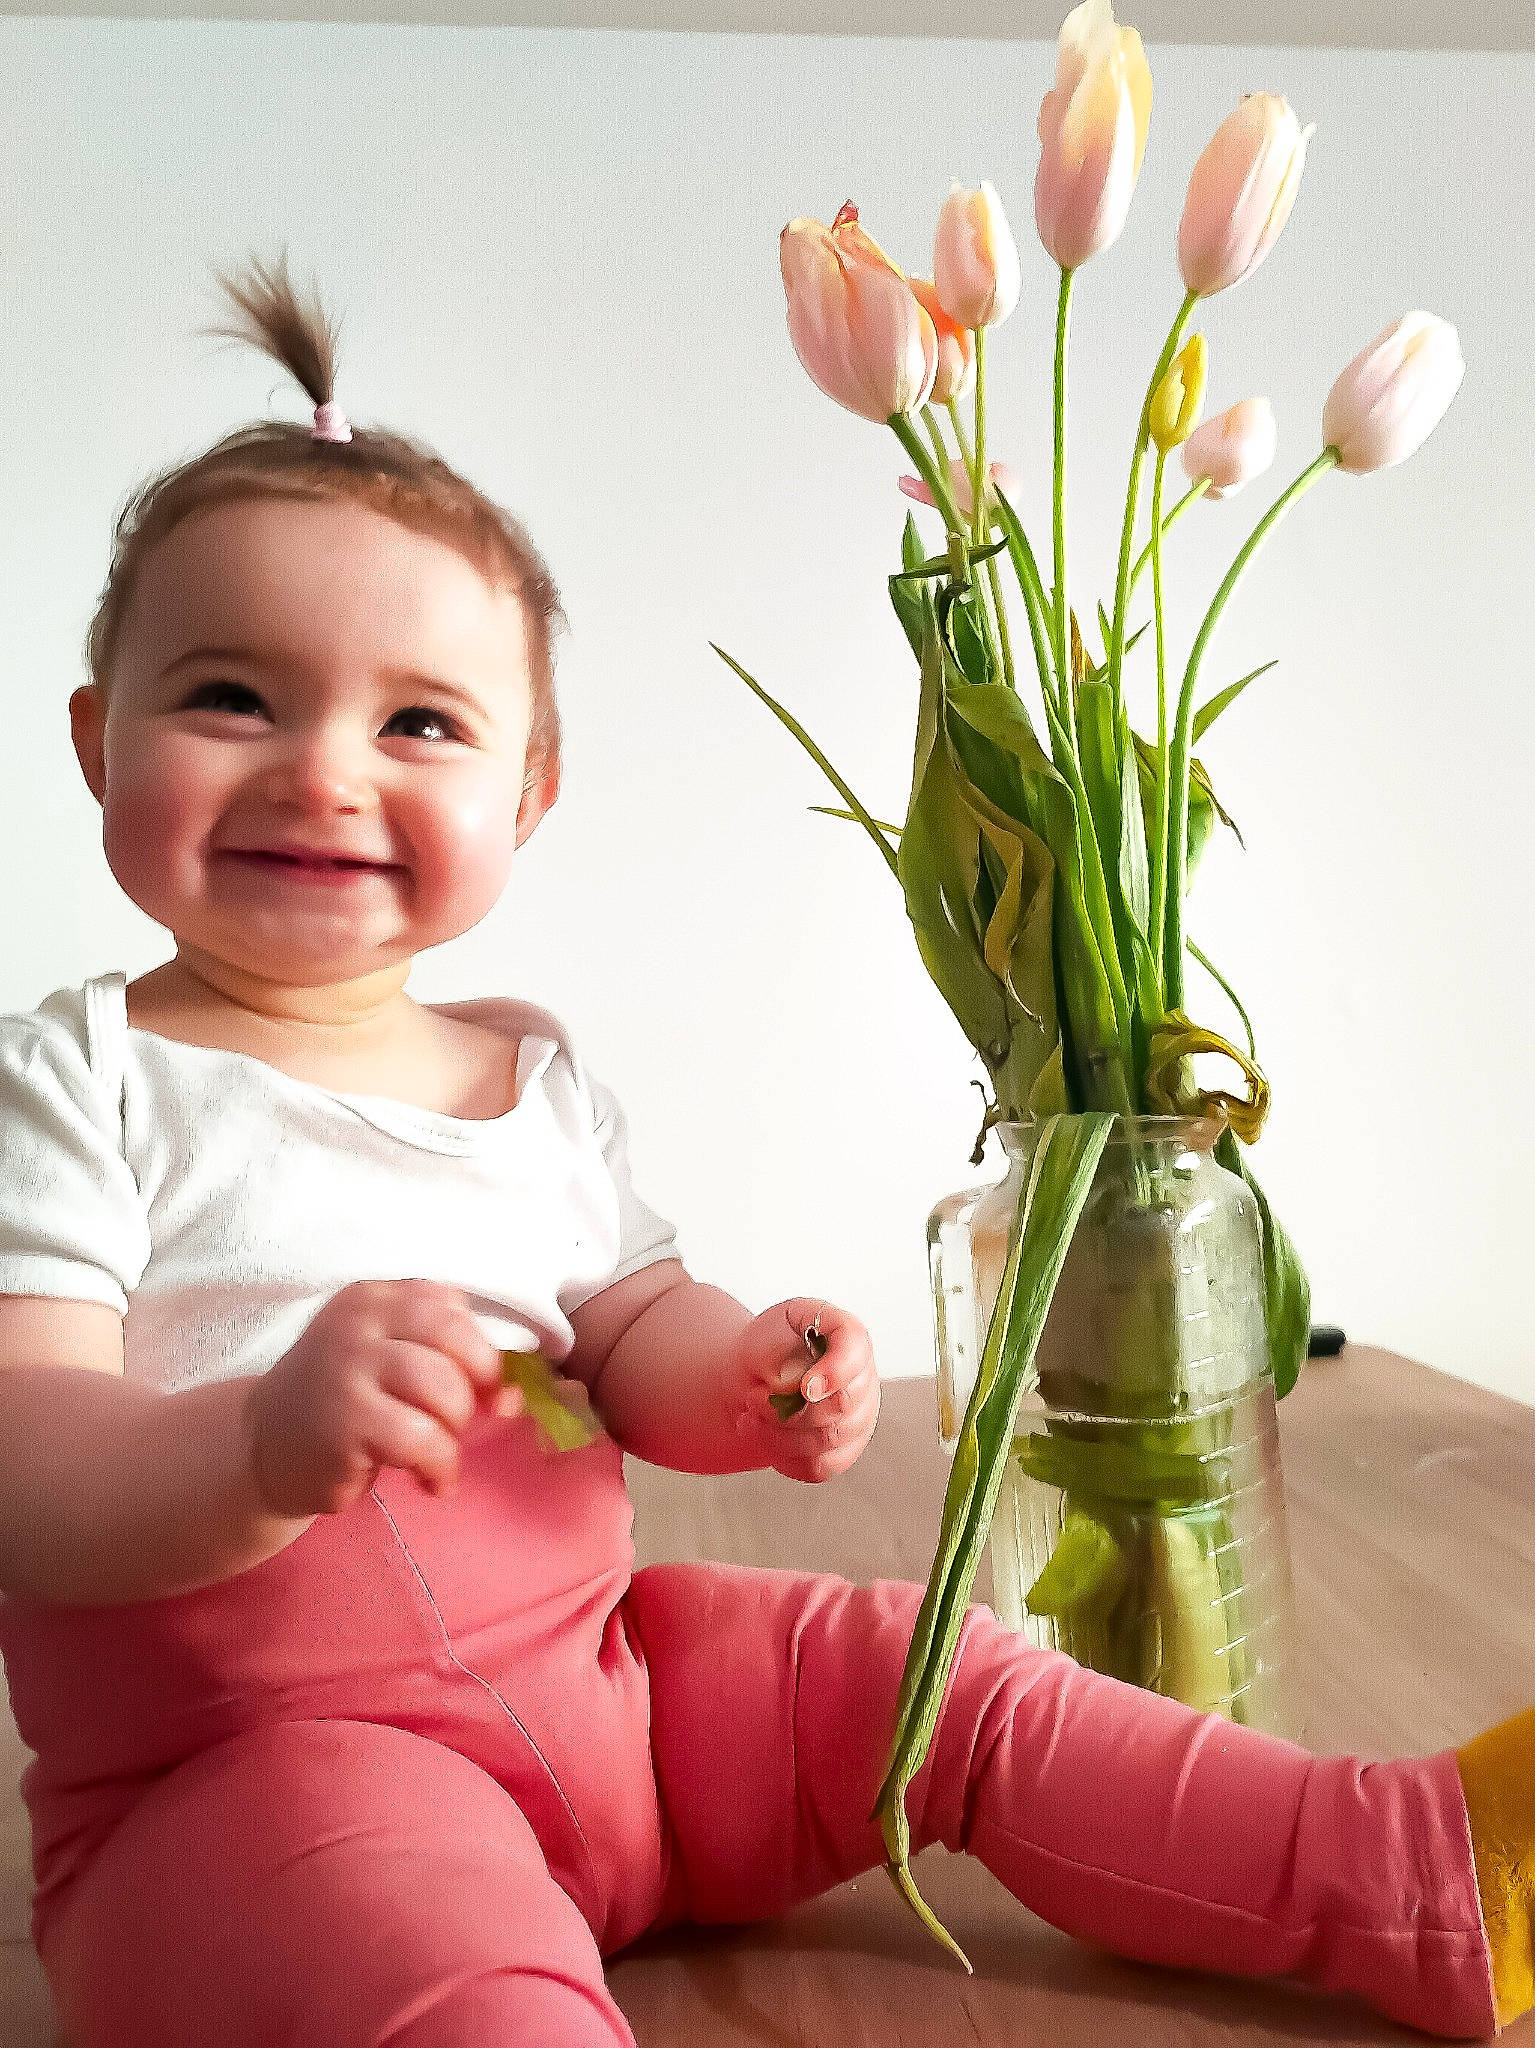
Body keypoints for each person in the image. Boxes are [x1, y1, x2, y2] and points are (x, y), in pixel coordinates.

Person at [0, 250, 1527, 2048]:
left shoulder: (528, 1076)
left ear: (527, 795)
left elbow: (634, 1329)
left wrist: (746, 1375)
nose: (327, 770)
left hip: (610, 1700)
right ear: (102, 746)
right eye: (232, 699)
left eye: (418, 720)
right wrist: (262, 1439)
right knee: (443, 1974)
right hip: (264, 1796)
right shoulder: (80, 1079)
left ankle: (1413, 1873)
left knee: (942, 1681)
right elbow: (32, 1464)